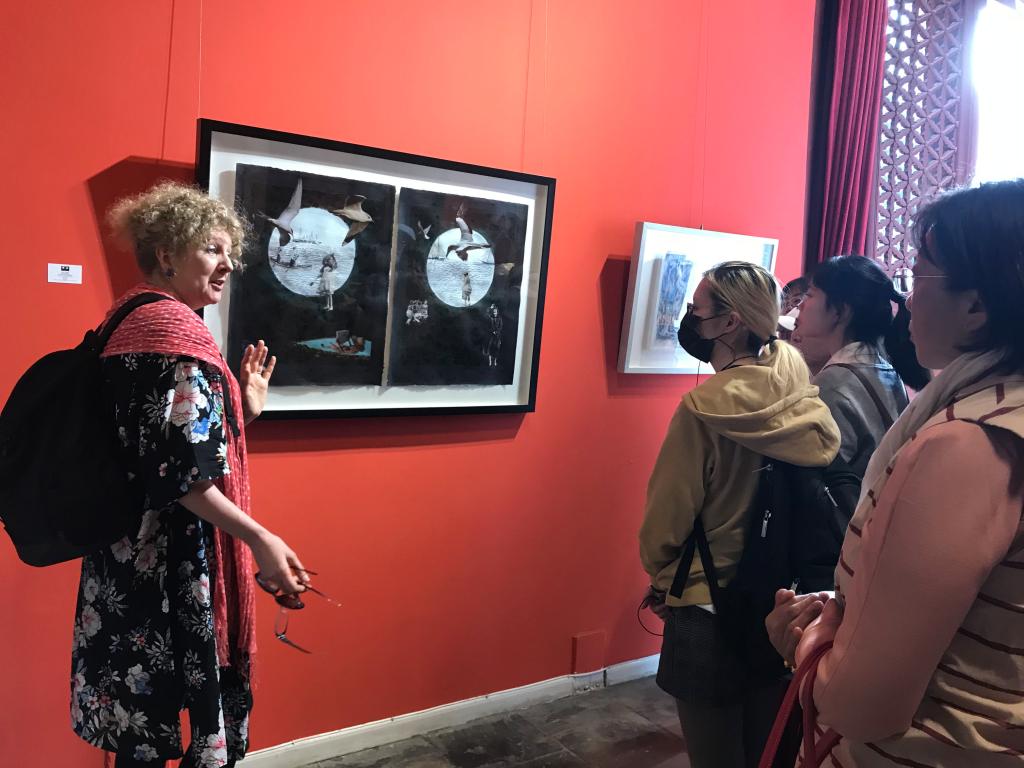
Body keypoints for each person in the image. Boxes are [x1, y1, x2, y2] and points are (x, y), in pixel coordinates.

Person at [768, 179, 1024, 765]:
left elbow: (860, 703)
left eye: (919, 276)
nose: (905, 301)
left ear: (976, 306)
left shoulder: (969, 445)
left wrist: (808, 639)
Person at [72, 182, 310, 767]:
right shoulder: (176, 337)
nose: (229, 264)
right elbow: (182, 475)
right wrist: (260, 538)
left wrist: (242, 412)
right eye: (212, 248)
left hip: (123, 550)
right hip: (170, 560)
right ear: (166, 255)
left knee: (141, 725)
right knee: (167, 719)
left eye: (231, 251)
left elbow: (161, 445)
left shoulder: (126, 321)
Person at [639, 261, 840, 768]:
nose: (688, 318)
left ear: (729, 322)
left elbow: (668, 517)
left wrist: (663, 580)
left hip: (707, 600)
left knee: (714, 753)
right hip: (782, 601)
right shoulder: (801, 396)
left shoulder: (702, 408)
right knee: (768, 750)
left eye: (696, 309)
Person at [791, 255, 930, 479]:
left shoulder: (833, 383)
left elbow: (817, 479)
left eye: (810, 294)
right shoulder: (885, 369)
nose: (801, 305)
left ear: (840, 311)